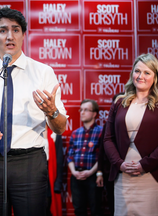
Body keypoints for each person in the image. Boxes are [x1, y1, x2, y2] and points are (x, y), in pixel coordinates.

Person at [0, 7, 68, 216]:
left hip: (29, 163)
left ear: (23, 34)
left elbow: (60, 127)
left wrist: (52, 112)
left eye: (16, 29)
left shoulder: (43, 72)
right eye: (3, 30)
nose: (10, 36)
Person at [104, 53, 158, 215]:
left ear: (155, 77)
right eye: (137, 71)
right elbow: (108, 139)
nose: (140, 76)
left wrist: (145, 164)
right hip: (122, 177)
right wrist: (119, 163)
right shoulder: (120, 102)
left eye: (147, 73)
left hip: (151, 176)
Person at [67, 99, 103, 216]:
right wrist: (74, 172)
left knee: (96, 209)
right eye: (81, 109)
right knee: (79, 210)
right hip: (76, 177)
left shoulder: (101, 132)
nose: (82, 112)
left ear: (94, 114)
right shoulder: (75, 133)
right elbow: (70, 156)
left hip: (93, 177)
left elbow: (102, 156)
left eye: (86, 110)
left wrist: (91, 172)